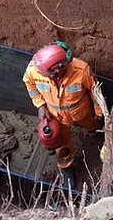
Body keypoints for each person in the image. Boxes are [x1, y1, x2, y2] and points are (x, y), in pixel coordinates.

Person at [23, 41, 102, 189]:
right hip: (56, 116)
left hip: (81, 112)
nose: (40, 74)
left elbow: (94, 91)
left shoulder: (81, 70)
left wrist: (99, 112)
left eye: (45, 74)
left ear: (57, 70)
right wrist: (40, 104)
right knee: (62, 145)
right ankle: (66, 168)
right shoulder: (35, 69)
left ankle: (94, 133)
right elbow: (29, 83)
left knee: (92, 125)